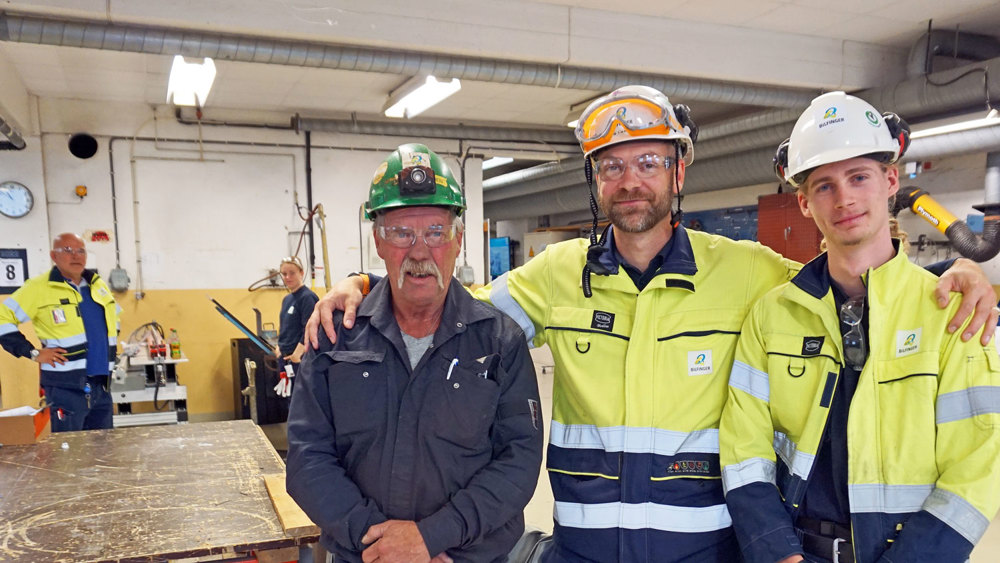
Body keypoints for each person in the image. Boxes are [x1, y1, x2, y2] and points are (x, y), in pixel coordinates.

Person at [306, 86, 999, 562]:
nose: (629, 180)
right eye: (611, 166)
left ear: (678, 168)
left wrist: (946, 277)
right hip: (581, 547)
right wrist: (364, 284)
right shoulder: (556, 273)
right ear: (594, 179)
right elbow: (455, 306)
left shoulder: (750, 272)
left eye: (646, 161)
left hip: (704, 548)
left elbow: (843, 282)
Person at [719, 91, 1000, 563]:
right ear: (805, 204)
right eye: (824, 185)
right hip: (795, 552)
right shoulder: (772, 315)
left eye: (858, 177)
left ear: (890, 180)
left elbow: (979, 461)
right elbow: (743, 450)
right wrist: (779, 554)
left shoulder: (949, 312)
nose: (844, 198)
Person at [286, 143, 543, 563]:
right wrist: (383, 546)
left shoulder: (500, 342)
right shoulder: (336, 335)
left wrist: (432, 538)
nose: (420, 252)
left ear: (458, 240)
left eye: (436, 232)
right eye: (402, 233)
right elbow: (306, 457)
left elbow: (518, 464)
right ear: (379, 242)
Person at [0, 233, 121, 432]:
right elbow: (2, 318)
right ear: (53, 256)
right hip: (66, 388)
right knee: (70, 453)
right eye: (67, 250)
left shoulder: (97, 285)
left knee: (104, 451)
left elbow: (113, 320)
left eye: (81, 250)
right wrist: (33, 352)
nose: (76, 255)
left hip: (101, 385)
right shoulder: (39, 287)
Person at [272, 256, 318, 397]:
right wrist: (279, 347)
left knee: (303, 398)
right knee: (289, 398)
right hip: (286, 358)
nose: (287, 277)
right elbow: (285, 326)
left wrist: (298, 354)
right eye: (284, 274)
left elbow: (309, 328)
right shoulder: (287, 299)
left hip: (300, 359)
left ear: (301, 273)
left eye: (292, 273)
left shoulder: (307, 298)